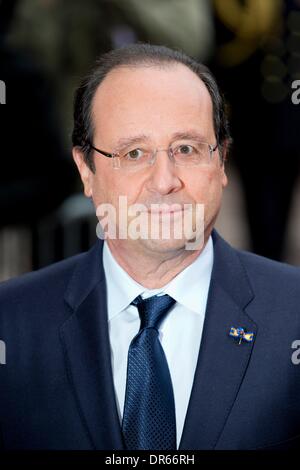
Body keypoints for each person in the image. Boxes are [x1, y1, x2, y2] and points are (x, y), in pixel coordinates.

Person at [0, 43, 300, 451]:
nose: (164, 181)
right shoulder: (10, 324)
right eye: (134, 153)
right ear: (86, 170)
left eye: (187, 149)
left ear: (221, 161)